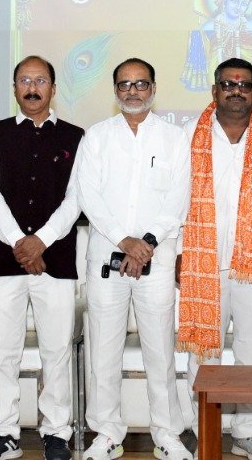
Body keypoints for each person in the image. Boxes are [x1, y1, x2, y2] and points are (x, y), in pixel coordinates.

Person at [75, 59, 193, 460]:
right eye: (124, 84)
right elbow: (88, 195)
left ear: (154, 88)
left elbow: (178, 198)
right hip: (106, 259)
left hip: (156, 259)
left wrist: (146, 242)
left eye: (141, 84)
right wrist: (126, 241)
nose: (133, 91)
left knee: (160, 350)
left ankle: (167, 435)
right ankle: (106, 433)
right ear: (115, 91)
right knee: (103, 351)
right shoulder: (97, 136)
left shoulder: (174, 137)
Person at [175, 57, 252, 460]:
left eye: (244, 85)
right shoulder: (188, 134)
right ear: (214, 90)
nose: (235, 91)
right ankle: (200, 427)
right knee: (202, 350)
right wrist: (179, 250)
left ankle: (248, 431)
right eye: (228, 84)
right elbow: (174, 196)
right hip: (201, 260)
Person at [0, 56, 85, 460]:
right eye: (25, 80)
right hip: (5, 261)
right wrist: (21, 244)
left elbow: (76, 198)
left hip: (56, 260)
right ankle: (4, 432)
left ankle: (56, 433)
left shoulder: (76, 136)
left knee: (56, 350)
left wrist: (41, 241)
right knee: (3, 351)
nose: (32, 87)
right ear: (15, 88)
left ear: (53, 88)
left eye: (40, 81)